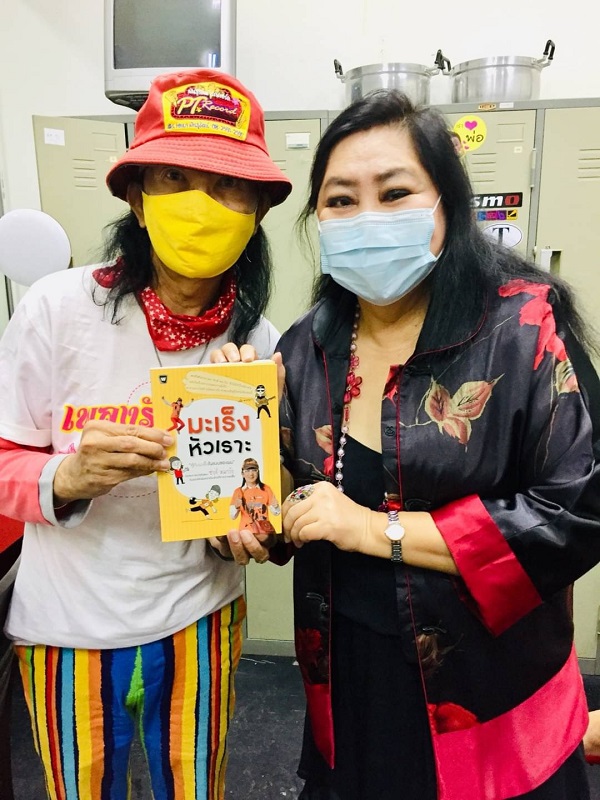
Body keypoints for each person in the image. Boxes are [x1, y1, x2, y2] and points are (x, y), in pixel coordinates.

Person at [212, 91, 600, 799]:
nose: (367, 218)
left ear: (447, 206)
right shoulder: (308, 346)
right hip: (351, 685)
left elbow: (578, 512)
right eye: (340, 200)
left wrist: (372, 529)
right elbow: (284, 508)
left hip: (488, 695)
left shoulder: (523, 330)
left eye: (395, 194)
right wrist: (236, 450)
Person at [0, 67, 291, 800]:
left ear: (259, 208)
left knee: (195, 786)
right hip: (68, 627)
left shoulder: (257, 341)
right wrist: (65, 478)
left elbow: (256, 511)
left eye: (228, 186)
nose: (201, 205)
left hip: (199, 617)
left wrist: (251, 522)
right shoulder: (56, 309)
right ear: (136, 195)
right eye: (174, 178)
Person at [230, 457, 281, 534]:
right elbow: (232, 516)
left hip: (264, 532)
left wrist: (276, 506)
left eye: (254, 470)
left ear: (258, 472)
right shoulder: (238, 491)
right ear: (242, 474)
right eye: (247, 471)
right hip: (245, 532)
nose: (251, 474)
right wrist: (236, 507)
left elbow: (276, 513)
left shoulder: (266, 489)